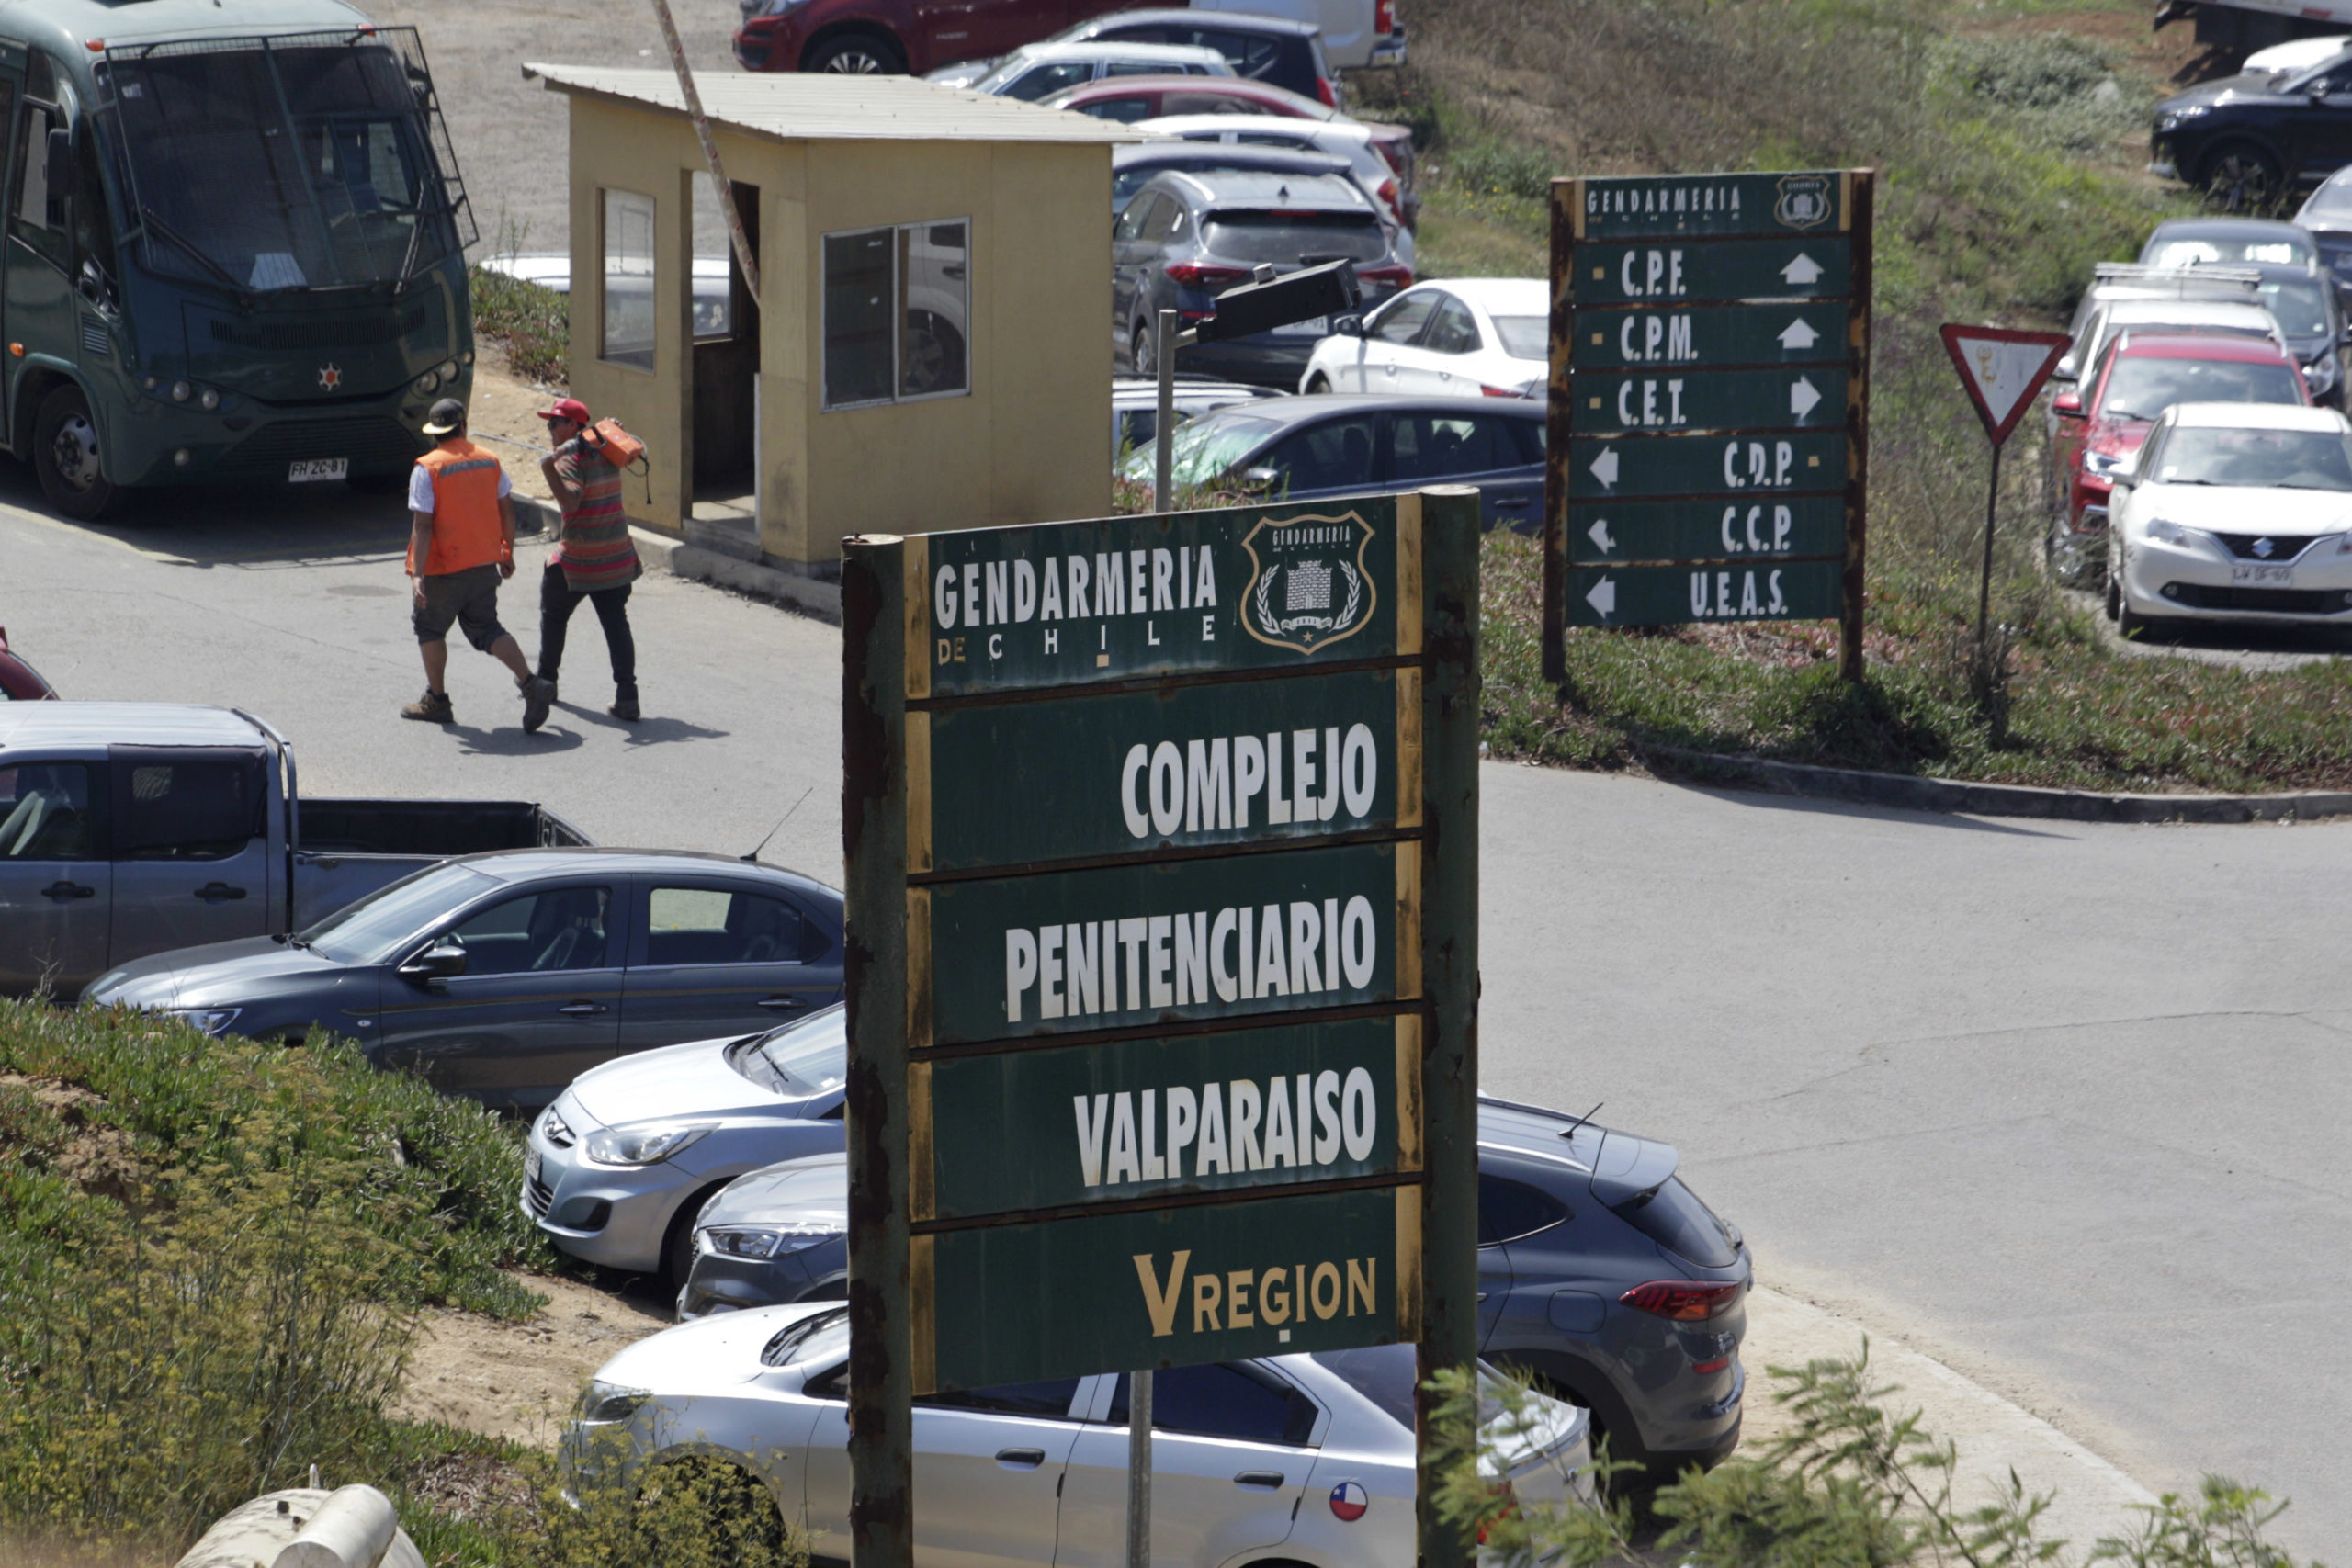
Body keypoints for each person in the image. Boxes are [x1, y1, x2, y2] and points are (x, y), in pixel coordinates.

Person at [402, 398, 555, 732]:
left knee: (430, 629)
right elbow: (507, 510)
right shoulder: (489, 460)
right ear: (463, 427)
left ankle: (437, 701)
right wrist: (507, 552)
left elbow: (423, 525)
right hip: (484, 564)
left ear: (435, 433)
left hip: (442, 570)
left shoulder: (427, 468)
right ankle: (531, 683)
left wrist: (418, 574)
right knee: (487, 628)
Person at [535, 397, 644, 721]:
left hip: (579, 561)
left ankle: (545, 682)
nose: (550, 429)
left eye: (554, 423)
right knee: (616, 624)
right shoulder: (607, 448)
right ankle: (628, 697)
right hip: (616, 557)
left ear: (572, 426)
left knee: (553, 614)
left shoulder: (570, 457)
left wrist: (548, 468)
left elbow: (570, 503)